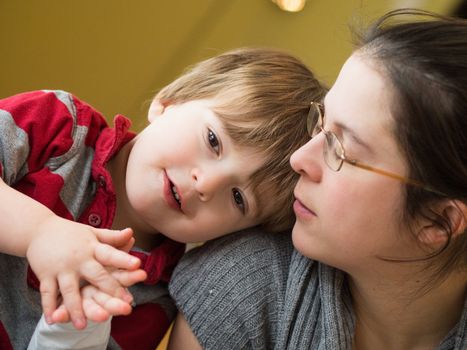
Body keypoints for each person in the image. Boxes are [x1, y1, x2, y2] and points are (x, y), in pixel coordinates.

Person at [167, 9, 467, 350]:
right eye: (320, 121)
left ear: (438, 222)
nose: (299, 159)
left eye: (341, 150)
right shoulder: (241, 286)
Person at [0, 47, 326, 349]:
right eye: (213, 140)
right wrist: (39, 231)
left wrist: (76, 331)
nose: (206, 184)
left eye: (238, 198)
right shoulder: (60, 126)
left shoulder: (154, 296)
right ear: (169, 102)